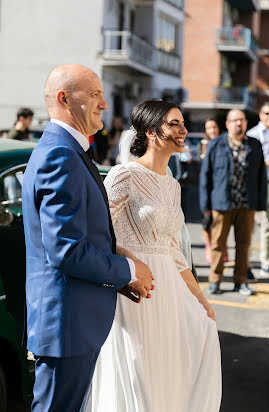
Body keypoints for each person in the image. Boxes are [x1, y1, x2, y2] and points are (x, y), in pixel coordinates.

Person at [22, 64, 154, 412]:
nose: (104, 104)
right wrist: (127, 270)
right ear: (65, 99)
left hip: (73, 322)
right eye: (95, 94)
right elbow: (66, 250)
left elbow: (81, 237)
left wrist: (115, 275)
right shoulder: (60, 155)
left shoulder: (68, 150)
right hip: (66, 326)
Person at [84, 99, 222, 412]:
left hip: (169, 290)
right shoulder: (124, 175)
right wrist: (128, 268)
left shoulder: (173, 186)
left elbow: (172, 249)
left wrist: (200, 298)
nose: (183, 130)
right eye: (174, 124)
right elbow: (99, 231)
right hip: (134, 290)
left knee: (169, 368)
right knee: (138, 376)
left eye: (183, 123)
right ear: (151, 132)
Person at [200, 109, 267, 295]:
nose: (239, 123)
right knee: (218, 244)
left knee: (244, 244)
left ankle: (241, 281)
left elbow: (261, 176)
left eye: (242, 120)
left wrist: (260, 203)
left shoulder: (255, 145)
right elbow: (206, 176)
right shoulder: (216, 144)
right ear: (228, 124)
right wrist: (205, 205)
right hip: (221, 204)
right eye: (235, 120)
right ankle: (215, 280)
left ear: (246, 123)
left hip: (247, 204)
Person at [247, 101, 269, 277]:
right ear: (260, 115)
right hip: (259, 185)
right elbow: (250, 164)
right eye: (267, 113)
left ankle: (267, 263)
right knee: (252, 227)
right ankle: (247, 265)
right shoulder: (253, 135)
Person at [201, 118, 229, 264]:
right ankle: (209, 248)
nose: (212, 130)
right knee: (207, 222)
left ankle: (223, 248)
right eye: (208, 128)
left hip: (219, 189)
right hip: (206, 188)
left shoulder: (224, 143)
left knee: (221, 221)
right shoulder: (204, 145)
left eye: (214, 127)